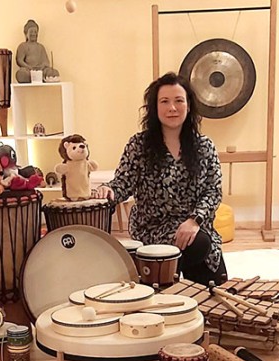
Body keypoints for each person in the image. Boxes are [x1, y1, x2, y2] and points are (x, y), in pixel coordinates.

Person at [94, 72, 227, 287]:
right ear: (155, 108)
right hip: (153, 228)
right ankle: (167, 282)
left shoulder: (205, 146)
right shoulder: (138, 145)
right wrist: (108, 189)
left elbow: (213, 192)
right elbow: (123, 183)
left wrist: (195, 221)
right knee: (198, 246)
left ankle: (172, 283)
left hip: (194, 226)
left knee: (215, 281)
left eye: (178, 101)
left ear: (189, 105)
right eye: (164, 101)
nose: (172, 108)